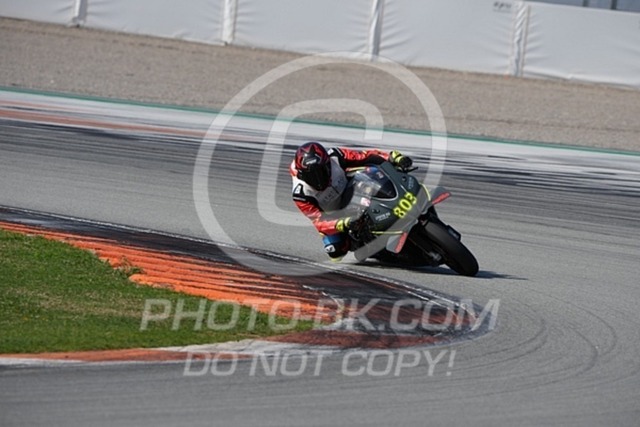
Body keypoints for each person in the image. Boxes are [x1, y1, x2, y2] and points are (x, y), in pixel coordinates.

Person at [290, 141, 413, 261]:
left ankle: (402, 198)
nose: (318, 179)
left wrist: (393, 157)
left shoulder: (336, 156)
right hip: (334, 215)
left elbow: (366, 156)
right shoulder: (301, 194)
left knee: (374, 172)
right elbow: (318, 221)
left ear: (327, 163)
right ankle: (370, 248)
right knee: (336, 252)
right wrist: (341, 224)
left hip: (353, 189)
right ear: (302, 174)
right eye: (311, 176)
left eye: (321, 171)